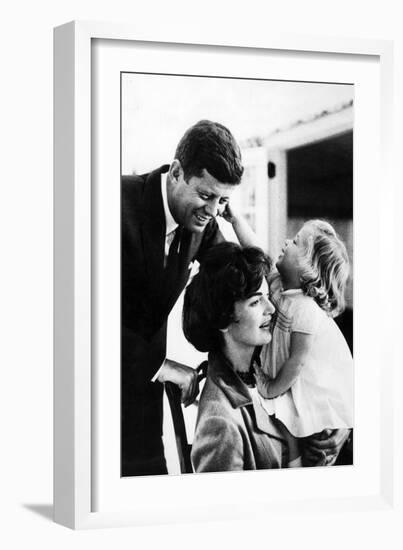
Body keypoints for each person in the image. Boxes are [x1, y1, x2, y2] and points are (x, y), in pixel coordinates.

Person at [121, 120, 244, 476]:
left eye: (223, 200)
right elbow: (77, 314)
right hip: (83, 403)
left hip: (143, 411)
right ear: (176, 172)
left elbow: (239, 275)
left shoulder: (203, 225)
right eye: (206, 195)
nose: (212, 210)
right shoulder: (111, 204)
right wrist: (161, 365)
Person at [183, 242, 349, 472]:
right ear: (223, 318)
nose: (271, 308)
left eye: (268, 296)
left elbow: (327, 384)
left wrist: (340, 426)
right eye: (255, 302)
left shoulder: (274, 358)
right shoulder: (219, 423)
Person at [230, 217, 353, 466]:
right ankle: (294, 462)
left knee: (296, 421)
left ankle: (298, 465)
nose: (287, 241)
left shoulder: (306, 310)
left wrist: (271, 386)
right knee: (283, 417)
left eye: (295, 241)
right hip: (286, 379)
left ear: (307, 268)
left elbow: (297, 362)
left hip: (305, 384)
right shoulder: (278, 286)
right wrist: (234, 220)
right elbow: (255, 248)